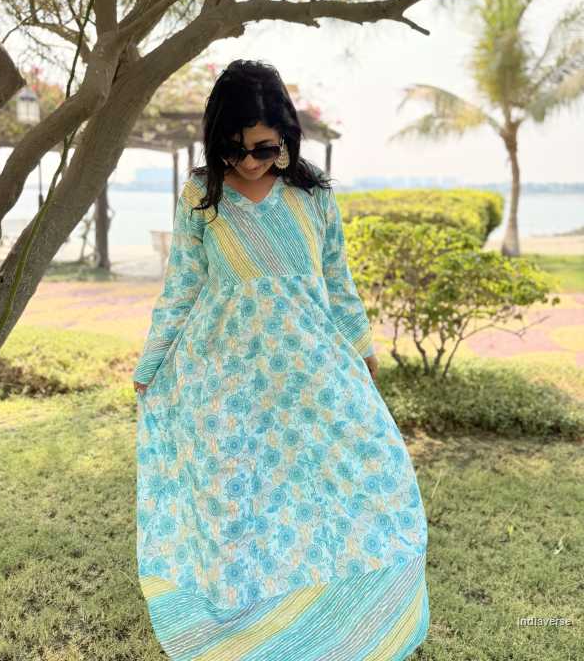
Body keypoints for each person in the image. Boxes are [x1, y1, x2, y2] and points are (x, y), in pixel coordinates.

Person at [132, 59, 430, 660]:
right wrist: (150, 365)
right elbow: (182, 287)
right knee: (239, 506)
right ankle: (243, 633)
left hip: (309, 372)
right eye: (235, 148)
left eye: (264, 149)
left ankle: (345, 624)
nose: (248, 162)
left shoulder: (311, 194)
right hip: (224, 377)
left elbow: (338, 281)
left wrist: (363, 353)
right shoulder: (201, 195)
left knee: (364, 476)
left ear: (287, 138)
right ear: (218, 140)